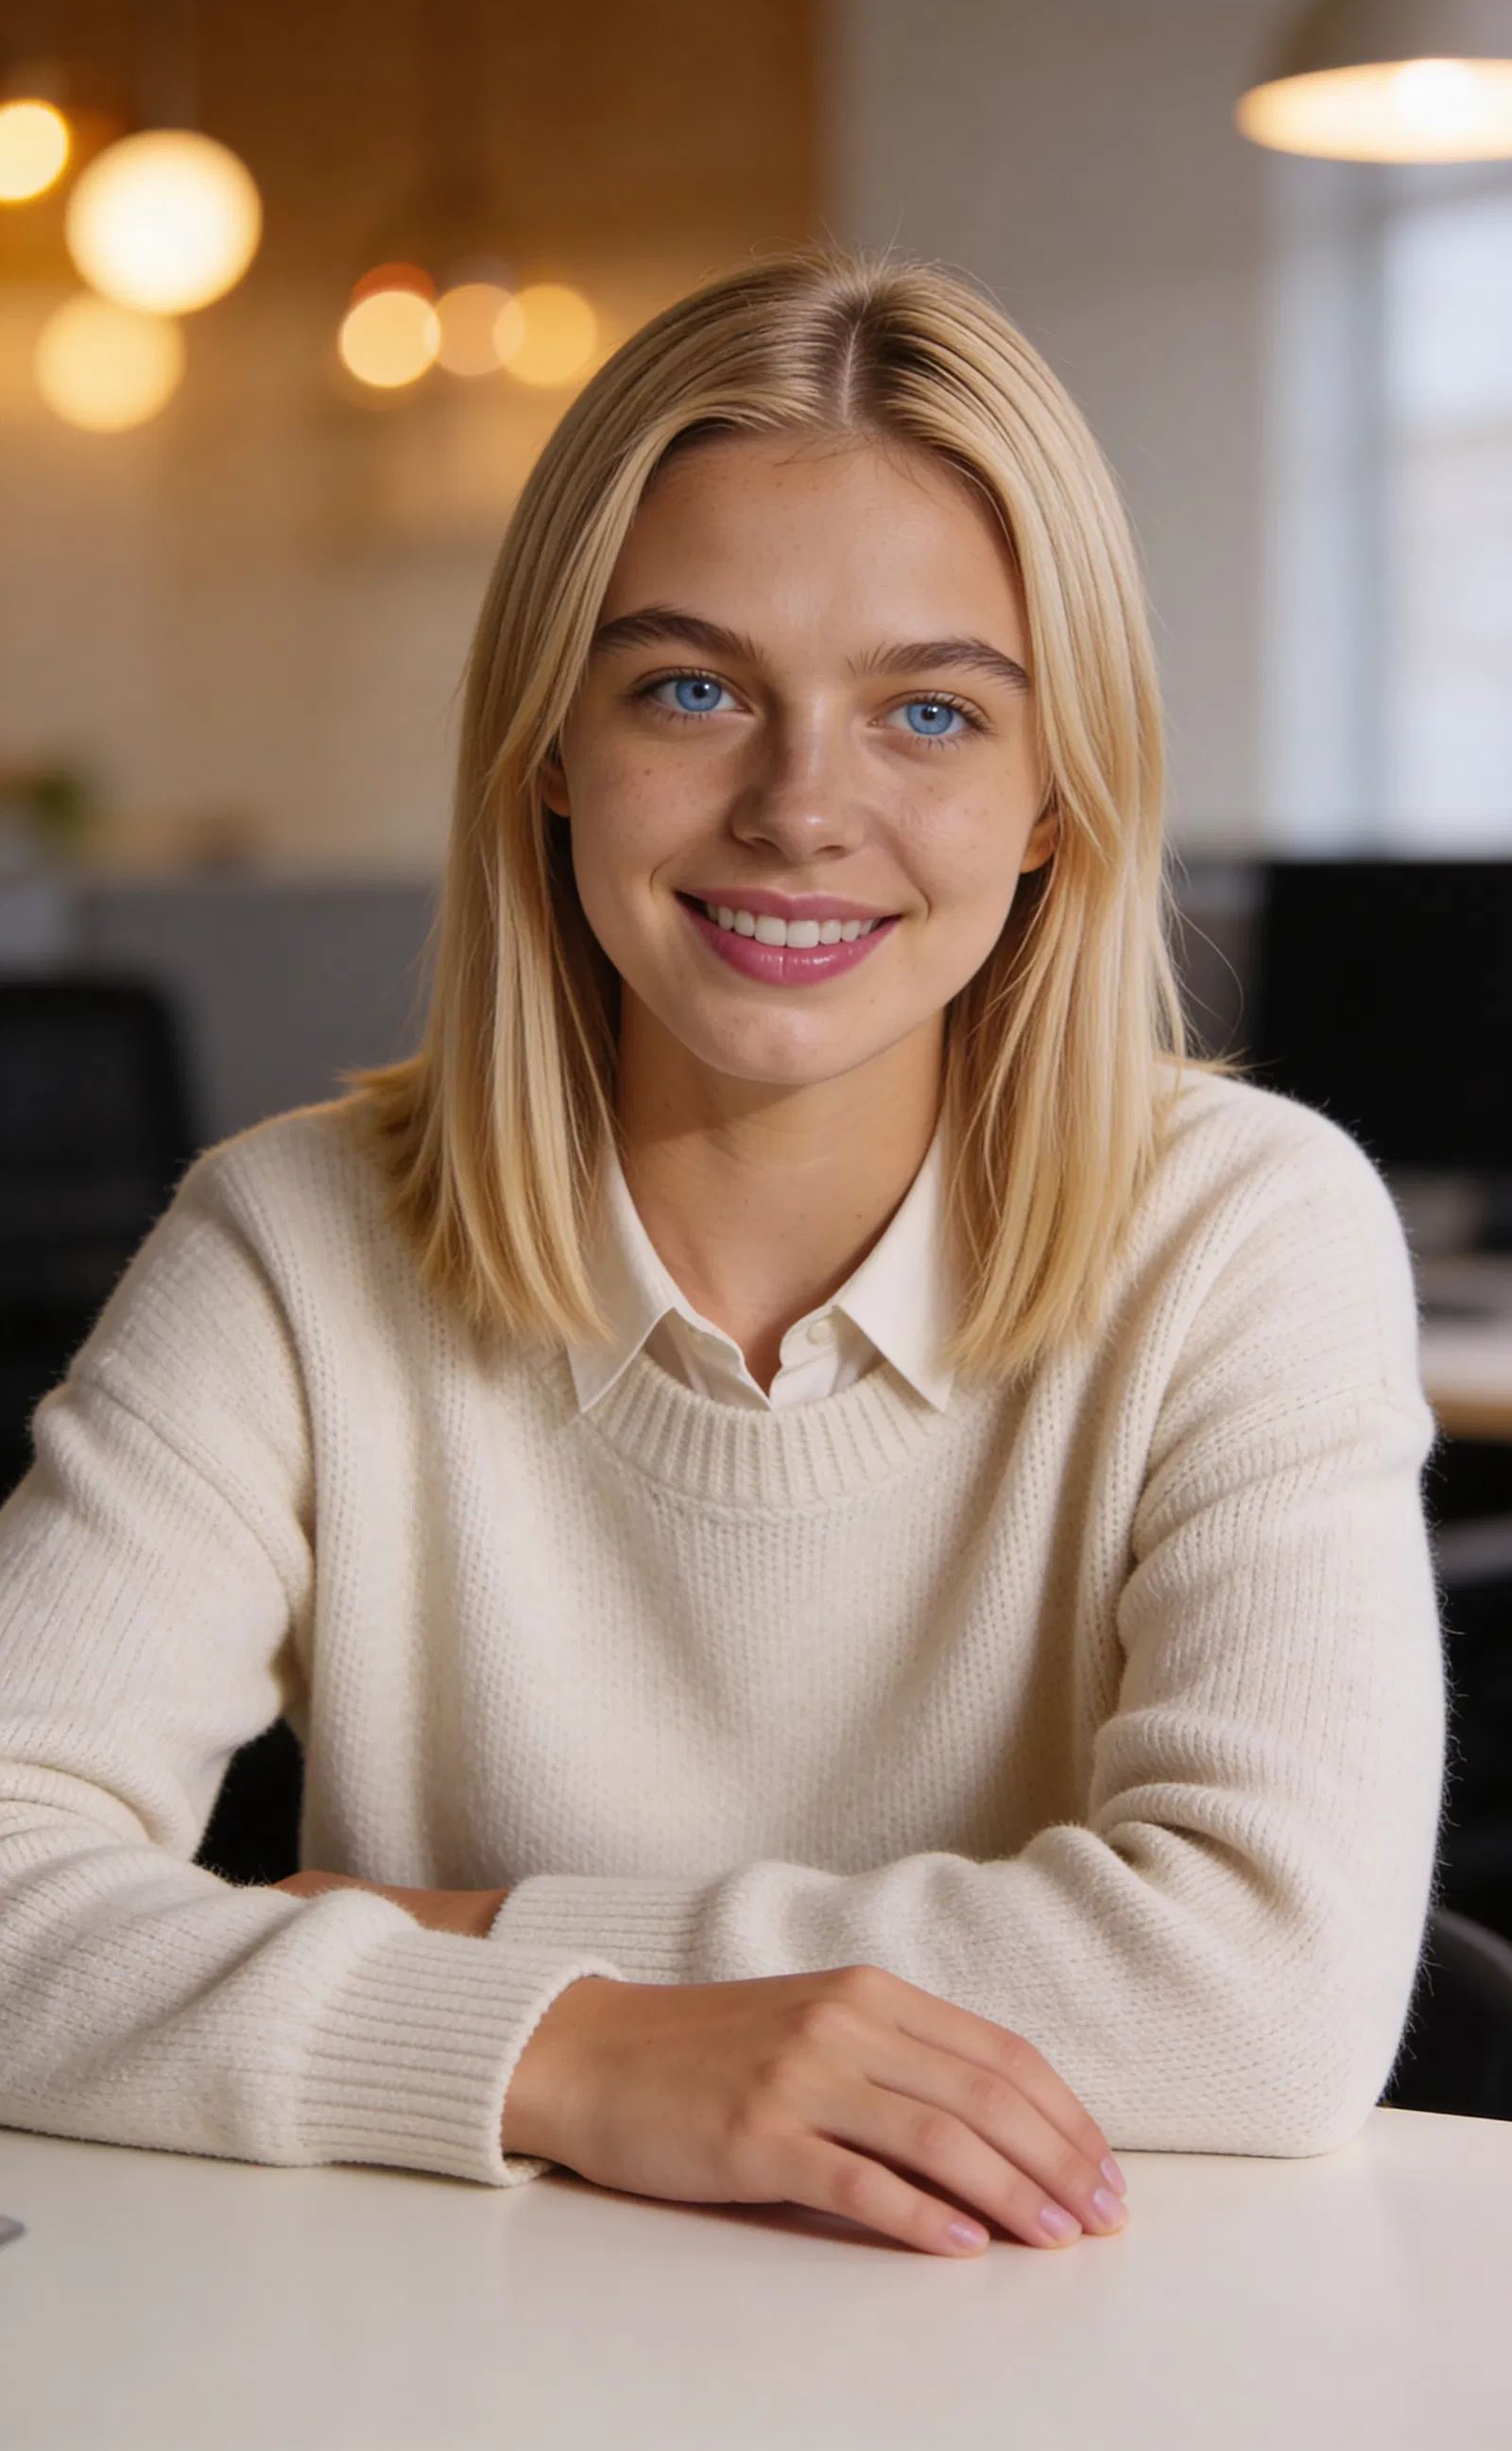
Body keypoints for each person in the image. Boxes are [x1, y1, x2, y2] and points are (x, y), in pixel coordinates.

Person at [0, 253, 1443, 2261]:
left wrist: (477, 1940)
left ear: (1051, 801)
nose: (799, 810)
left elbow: (1265, 2000)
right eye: (691, 689)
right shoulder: (294, 1242)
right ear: (548, 744)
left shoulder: (1240, 1230)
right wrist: (578, 2050)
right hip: (442, 2347)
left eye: (929, 712)